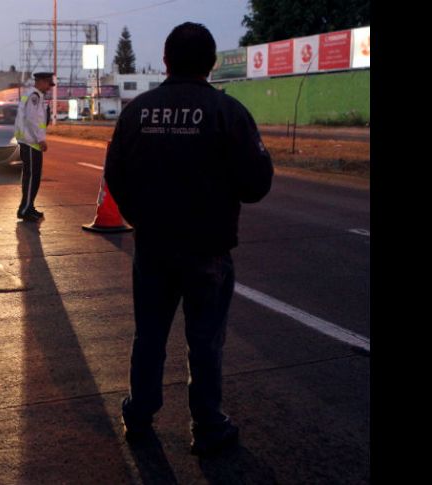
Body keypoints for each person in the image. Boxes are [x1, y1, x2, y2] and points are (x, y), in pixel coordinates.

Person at [105, 22, 273, 455]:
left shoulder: (138, 111)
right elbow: (256, 185)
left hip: (154, 248)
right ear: (212, 63)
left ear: (165, 60)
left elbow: (115, 176)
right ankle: (208, 426)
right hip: (208, 249)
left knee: (150, 337)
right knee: (205, 342)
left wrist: (140, 216)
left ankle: (140, 416)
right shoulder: (226, 112)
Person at [14, 72, 54, 222]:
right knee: (31, 177)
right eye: (48, 84)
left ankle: (29, 206)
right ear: (42, 82)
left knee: (33, 177)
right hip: (31, 142)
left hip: (30, 141)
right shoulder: (34, 97)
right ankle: (24, 209)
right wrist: (41, 139)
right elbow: (33, 120)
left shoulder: (34, 95)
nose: (49, 88)